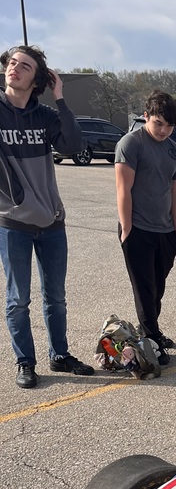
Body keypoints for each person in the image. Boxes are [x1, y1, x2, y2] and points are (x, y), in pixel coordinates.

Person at [0, 45, 94, 389]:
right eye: (12, 63)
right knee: (17, 299)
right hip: (13, 224)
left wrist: (60, 98)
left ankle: (60, 354)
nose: (14, 69)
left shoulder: (45, 116)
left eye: (24, 66)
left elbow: (71, 145)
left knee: (56, 297)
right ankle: (25, 362)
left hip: (52, 222)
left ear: (37, 78)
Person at [114, 89, 176, 366]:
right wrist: (127, 229)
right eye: (159, 123)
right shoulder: (131, 144)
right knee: (144, 287)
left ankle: (150, 329)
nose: (164, 130)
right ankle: (152, 339)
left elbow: (175, 194)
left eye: (169, 126)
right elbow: (123, 189)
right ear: (146, 116)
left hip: (165, 232)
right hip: (138, 229)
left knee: (157, 287)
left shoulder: (174, 150)